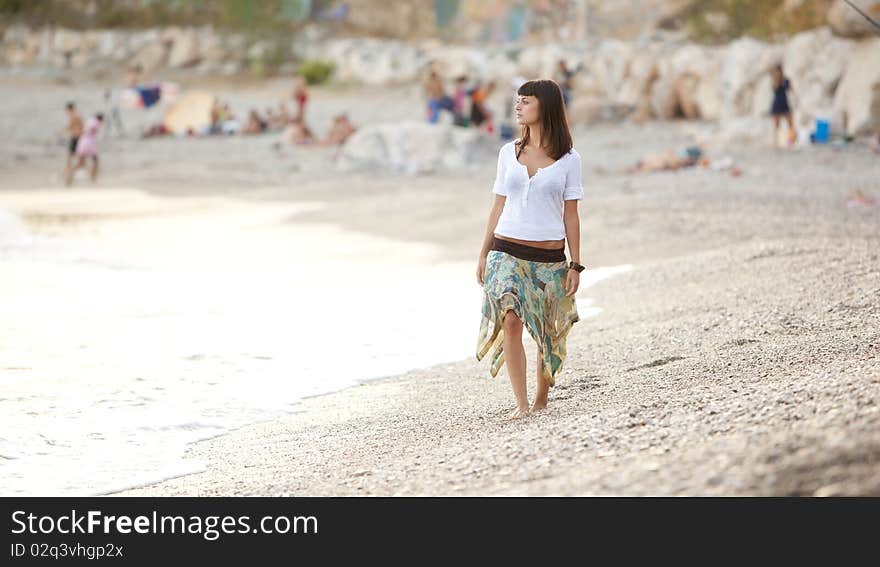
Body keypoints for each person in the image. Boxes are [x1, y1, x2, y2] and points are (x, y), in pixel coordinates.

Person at [476, 79, 585, 420]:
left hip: (549, 258)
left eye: (526, 101)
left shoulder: (569, 159)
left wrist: (576, 264)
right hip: (505, 250)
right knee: (511, 320)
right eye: (517, 101)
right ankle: (521, 404)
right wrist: (483, 252)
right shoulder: (508, 153)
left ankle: (541, 399)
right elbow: (497, 205)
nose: (518, 106)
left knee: (546, 333)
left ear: (545, 106)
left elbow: (572, 214)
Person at [66, 113, 103, 185]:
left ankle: (71, 177)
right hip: (87, 144)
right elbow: (89, 130)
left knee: (82, 163)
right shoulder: (95, 123)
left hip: (84, 143)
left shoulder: (90, 121)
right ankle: (92, 177)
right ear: (101, 119)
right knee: (92, 161)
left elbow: (84, 130)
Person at [770, 64, 796, 146]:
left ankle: (791, 140)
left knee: (790, 123)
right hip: (777, 103)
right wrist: (777, 79)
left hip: (784, 103)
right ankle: (776, 141)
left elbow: (791, 89)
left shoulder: (786, 80)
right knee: (777, 125)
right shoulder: (775, 80)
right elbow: (774, 89)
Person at [63, 102, 84, 181]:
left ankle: (68, 175)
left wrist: (61, 131)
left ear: (69, 109)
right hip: (78, 138)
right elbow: (82, 127)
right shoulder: (78, 115)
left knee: (70, 158)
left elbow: (70, 126)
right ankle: (70, 174)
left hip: (75, 138)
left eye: (67, 110)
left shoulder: (73, 116)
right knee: (78, 158)